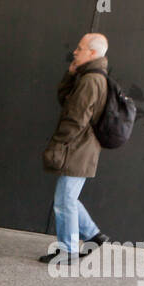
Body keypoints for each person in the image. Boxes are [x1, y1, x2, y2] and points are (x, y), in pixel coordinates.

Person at [39, 33, 112, 264]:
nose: (75, 52)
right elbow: (66, 101)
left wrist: (59, 144)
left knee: (64, 201)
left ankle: (68, 252)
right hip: (81, 147)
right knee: (67, 198)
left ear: (92, 53)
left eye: (80, 48)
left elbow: (75, 118)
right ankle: (93, 235)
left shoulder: (92, 80)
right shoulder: (86, 76)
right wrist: (70, 75)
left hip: (78, 147)